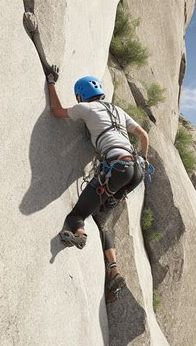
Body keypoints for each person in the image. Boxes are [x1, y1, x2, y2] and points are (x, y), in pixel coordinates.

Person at [46, 66, 150, 302]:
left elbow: (57, 111)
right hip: (135, 172)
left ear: (81, 95)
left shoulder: (86, 107)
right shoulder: (118, 111)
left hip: (117, 168)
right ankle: (114, 271)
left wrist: (51, 82)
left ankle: (79, 234)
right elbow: (143, 135)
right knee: (102, 219)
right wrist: (143, 159)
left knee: (78, 214)